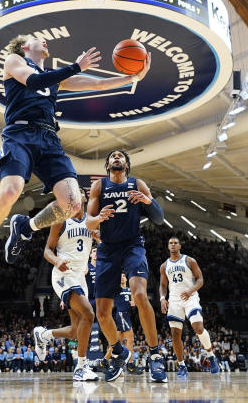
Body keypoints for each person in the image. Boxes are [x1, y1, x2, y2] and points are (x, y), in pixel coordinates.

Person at [0, 36, 151, 285]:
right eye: (38, 39)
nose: (44, 42)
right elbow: (33, 81)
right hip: (20, 134)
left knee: (73, 204)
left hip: (49, 138)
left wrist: (133, 78)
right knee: (12, 189)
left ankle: (25, 228)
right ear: (24, 47)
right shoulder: (14, 61)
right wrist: (76, 66)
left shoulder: (56, 78)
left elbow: (96, 85)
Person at [88, 149, 167, 382]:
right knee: (101, 312)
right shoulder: (99, 187)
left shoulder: (137, 184)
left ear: (127, 164)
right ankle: (119, 352)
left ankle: (155, 356)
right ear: (107, 165)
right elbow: (87, 221)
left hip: (133, 246)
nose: (116, 157)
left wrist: (147, 201)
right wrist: (98, 218)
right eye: (112, 155)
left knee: (141, 295)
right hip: (107, 249)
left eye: (121, 155)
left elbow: (159, 218)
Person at [32, 194, 114, 381]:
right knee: (88, 314)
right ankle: (81, 366)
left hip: (79, 277)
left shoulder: (92, 222)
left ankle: (43, 334)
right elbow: (47, 250)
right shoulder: (61, 221)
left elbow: (107, 247)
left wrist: (100, 240)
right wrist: (56, 260)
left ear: (84, 197)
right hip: (63, 275)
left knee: (76, 331)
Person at [160, 236, 220, 378]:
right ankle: (181, 366)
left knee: (198, 327)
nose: (173, 245)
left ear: (180, 246)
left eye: (175, 243)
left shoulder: (189, 260)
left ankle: (211, 356)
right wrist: (163, 298)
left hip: (190, 297)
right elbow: (163, 285)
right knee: (175, 334)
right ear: (168, 246)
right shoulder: (164, 266)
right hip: (174, 300)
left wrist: (191, 290)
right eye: (170, 243)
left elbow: (200, 279)